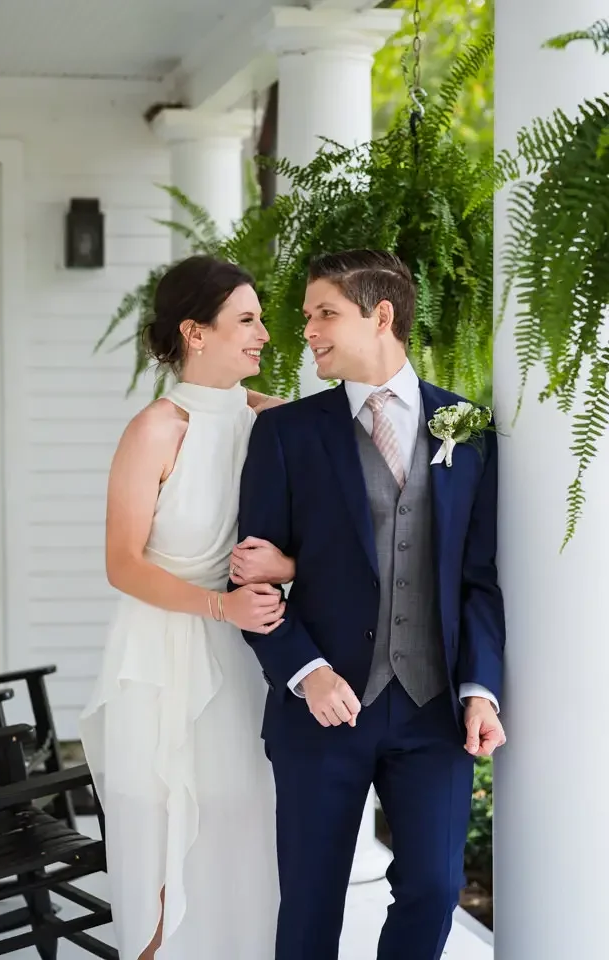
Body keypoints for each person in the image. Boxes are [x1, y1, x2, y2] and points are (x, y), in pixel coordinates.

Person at [231, 249, 506, 960]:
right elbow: (252, 583)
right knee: (312, 903)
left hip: (433, 709)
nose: (308, 331)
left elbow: (477, 577)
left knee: (434, 887)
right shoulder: (288, 435)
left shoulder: (465, 429)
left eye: (324, 313)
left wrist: (481, 691)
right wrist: (307, 672)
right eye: (306, 317)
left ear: (380, 315)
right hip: (322, 709)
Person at [80, 255, 290, 960]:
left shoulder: (277, 423)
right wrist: (217, 606)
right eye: (247, 320)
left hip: (246, 655)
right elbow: (123, 563)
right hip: (164, 653)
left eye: (260, 318)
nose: (264, 332)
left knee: (244, 825)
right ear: (194, 333)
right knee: (166, 829)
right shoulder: (155, 430)